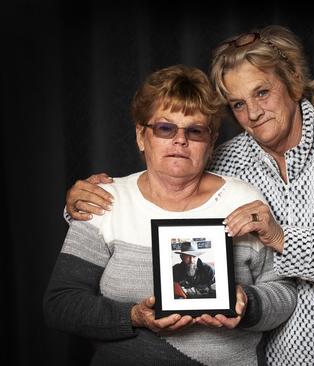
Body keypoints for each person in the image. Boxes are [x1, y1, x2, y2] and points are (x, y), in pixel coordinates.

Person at [65, 25, 314, 365]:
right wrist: (87, 203)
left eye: (262, 92)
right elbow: (173, 187)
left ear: (294, 82)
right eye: (238, 104)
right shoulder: (229, 159)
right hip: (282, 358)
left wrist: (281, 237)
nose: (253, 113)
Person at [45, 64, 296, 365]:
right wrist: (132, 316)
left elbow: (284, 293)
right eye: (165, 128)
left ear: (211, 142)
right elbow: (60, 304)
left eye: (195, 131)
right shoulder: (105, 200)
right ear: (141, 135)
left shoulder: (242, 199)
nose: (180, 140)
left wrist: (249, 304)